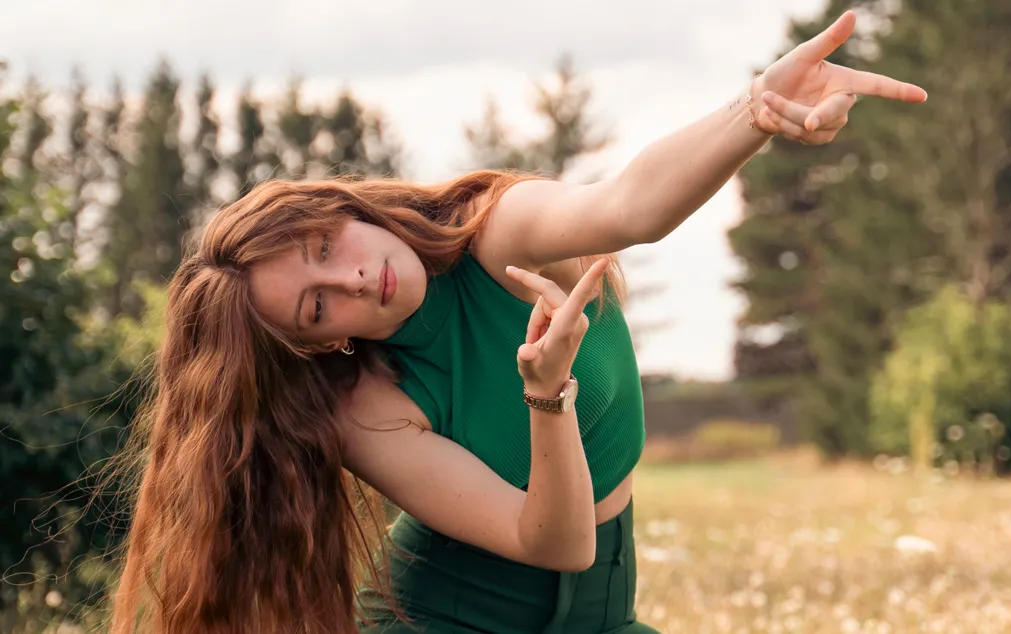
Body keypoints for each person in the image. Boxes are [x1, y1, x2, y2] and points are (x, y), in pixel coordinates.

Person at [107, 10, 926, 634]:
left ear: (343, 205)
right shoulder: (369, 405)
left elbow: (629, 206)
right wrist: (547, 399)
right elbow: (555, 543)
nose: (355, 275)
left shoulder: (493, 233)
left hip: (605, 612)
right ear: (318, 343)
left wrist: (756, 112)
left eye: (327, 243)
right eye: (319, 304)